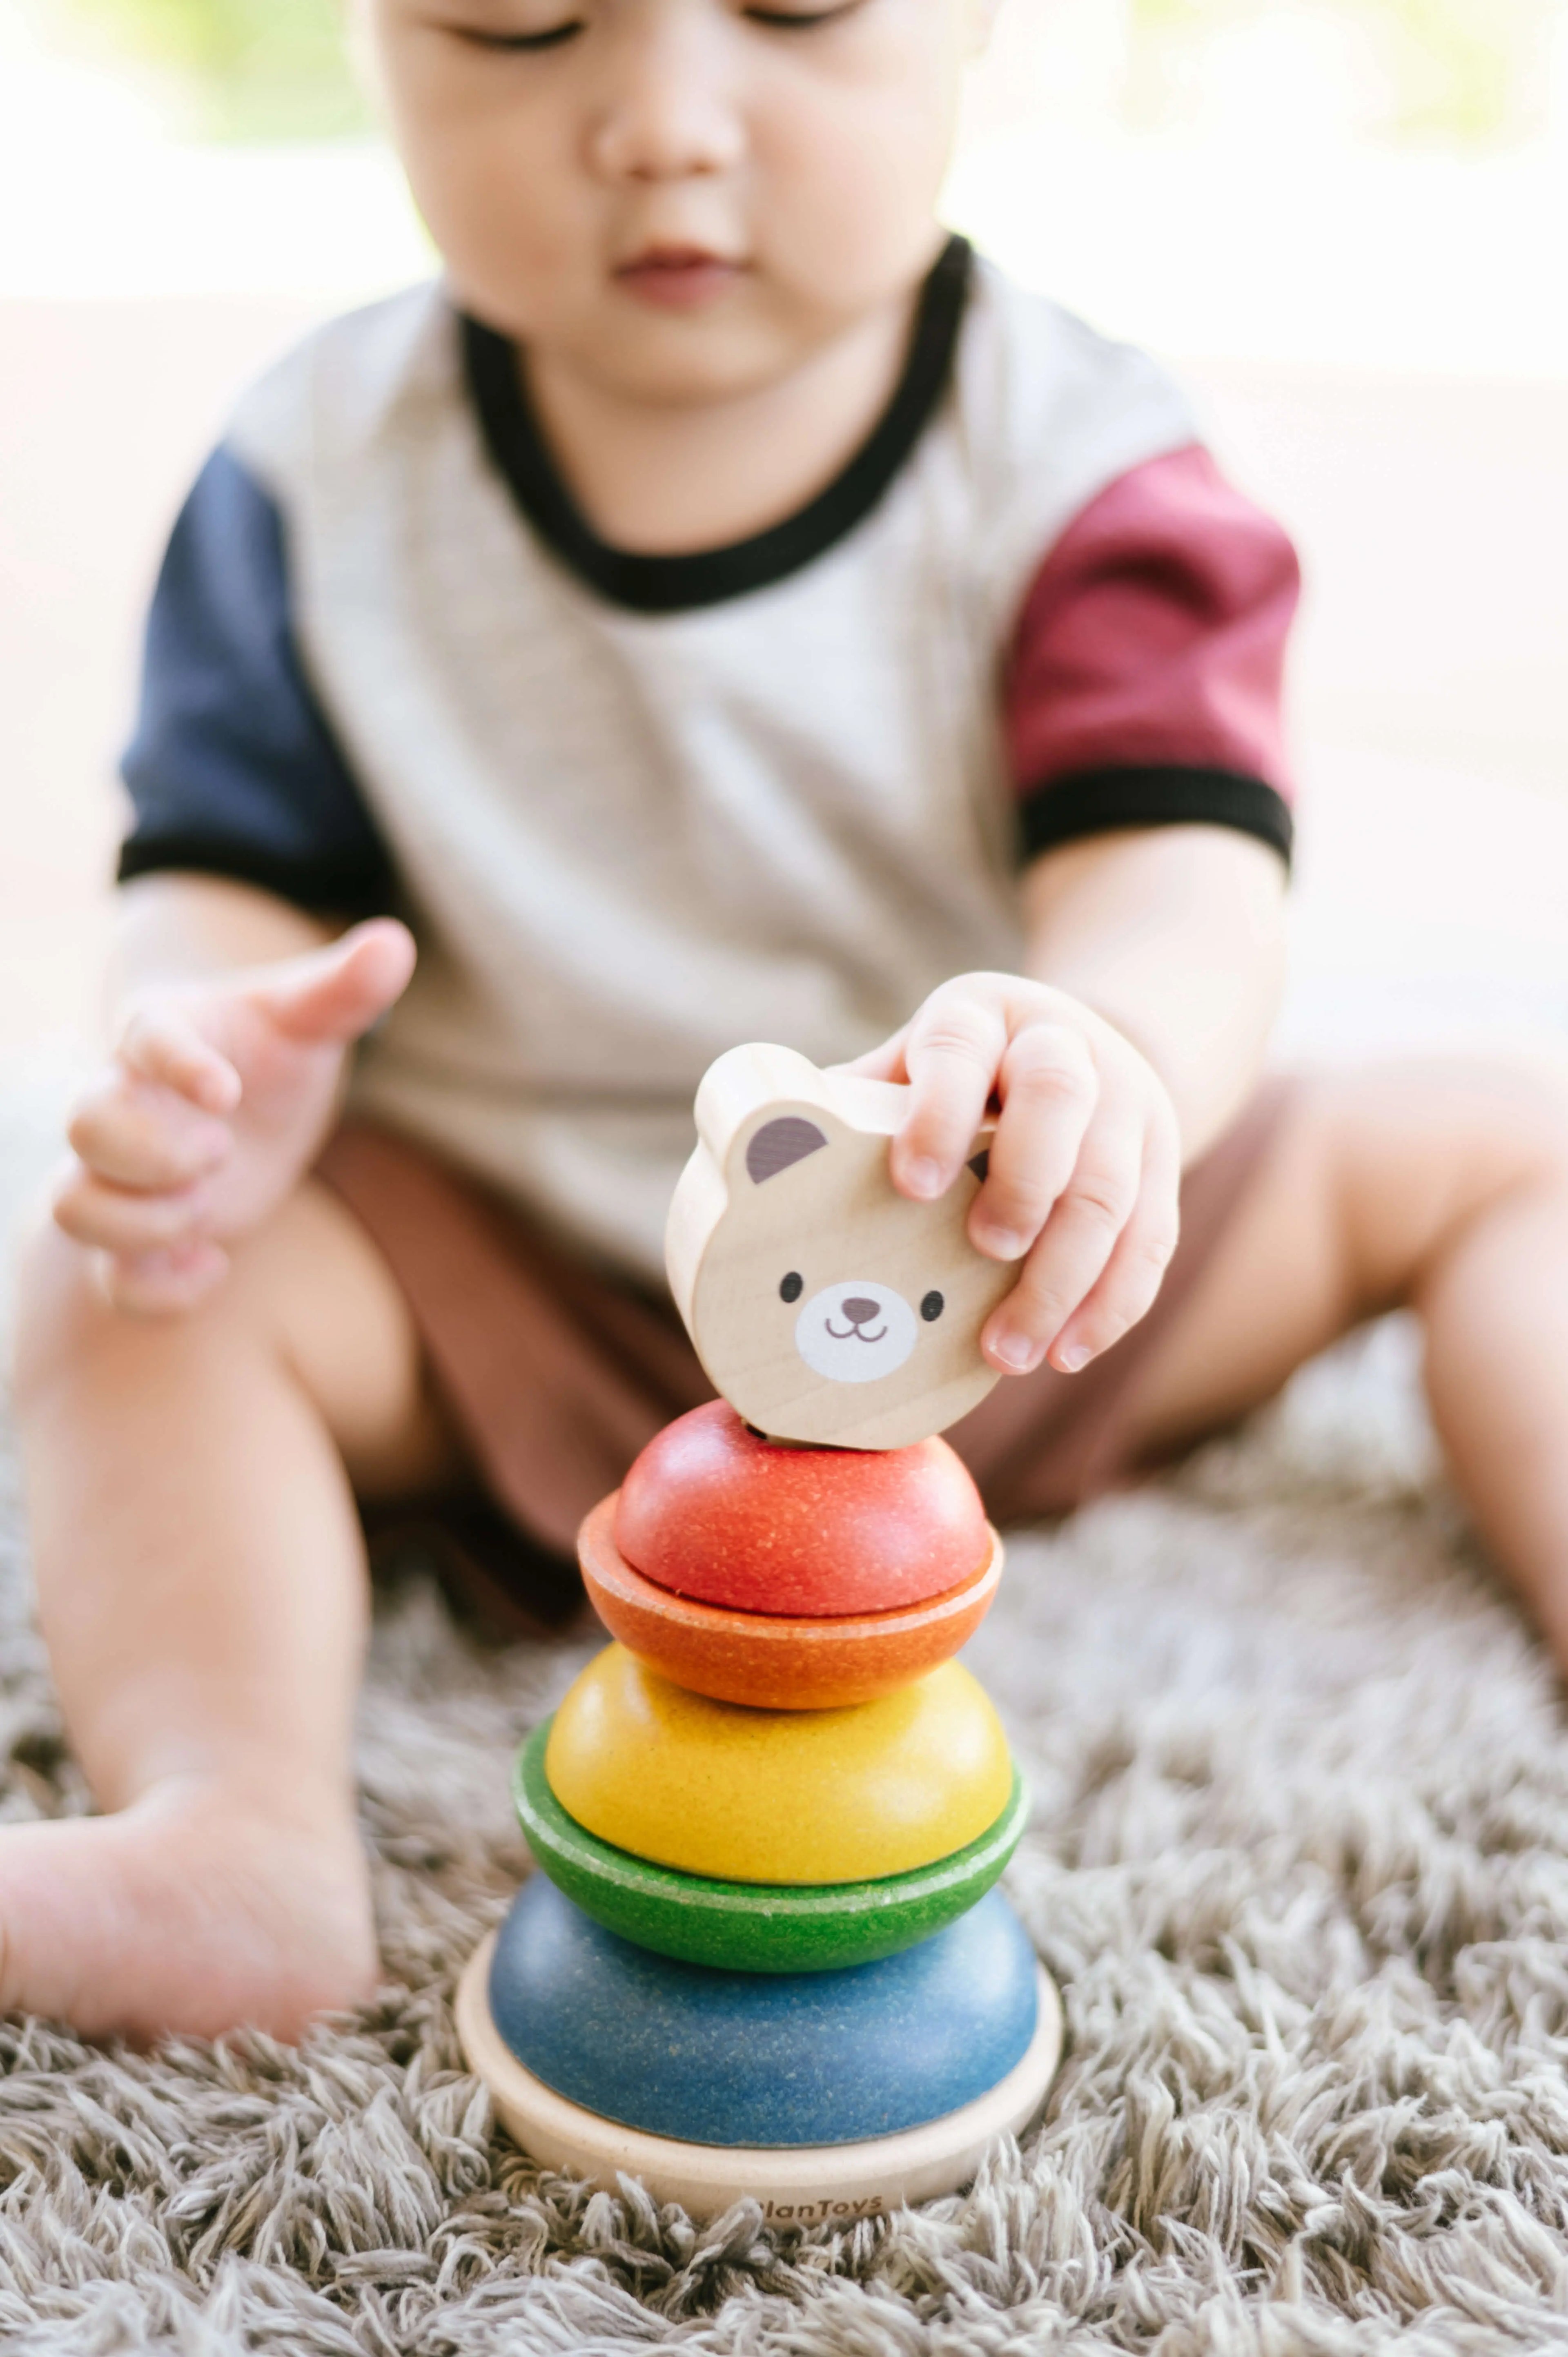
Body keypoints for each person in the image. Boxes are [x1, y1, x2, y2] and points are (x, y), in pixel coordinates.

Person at [11, 0, 1568, 2047]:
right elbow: (219, 886)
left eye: (799, 7)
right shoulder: (310, 477)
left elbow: (1183, 886)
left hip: (1017, 1274)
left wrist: (1094, 1057)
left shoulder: (1087, 460)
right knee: (117, 1269)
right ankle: (231, 1837)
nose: (660, 118)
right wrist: (212, 1055)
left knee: (1504, 1143)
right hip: (498, 1296)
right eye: (516, 19)